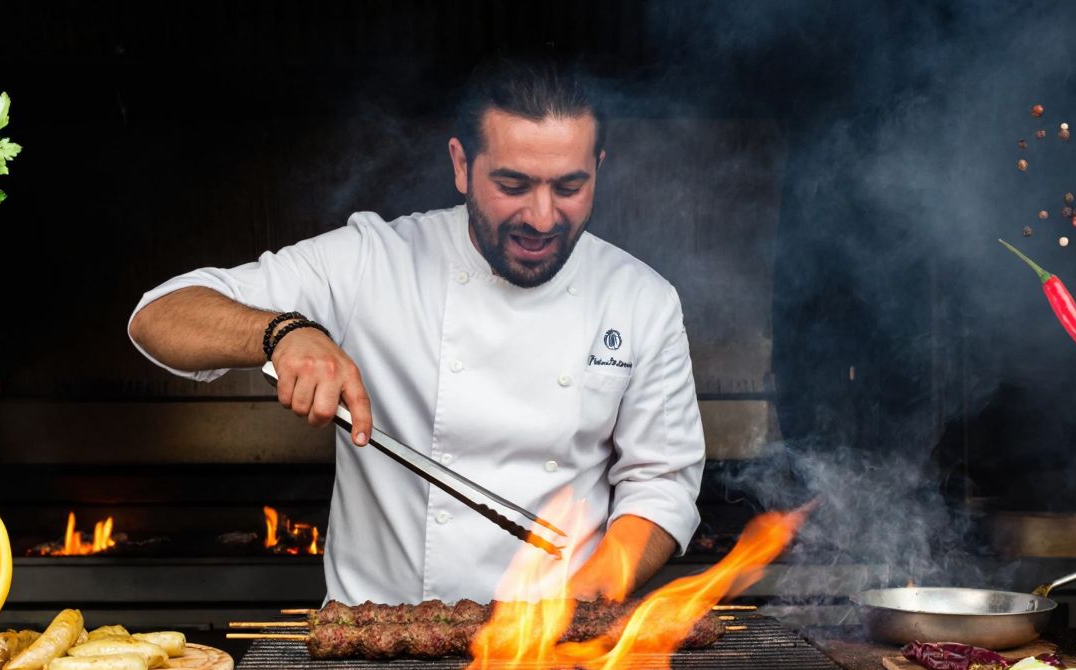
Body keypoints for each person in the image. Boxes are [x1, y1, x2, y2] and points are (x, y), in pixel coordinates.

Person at [127, 58, 704, 606]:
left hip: (551, 660)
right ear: (460, 165)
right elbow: (159, 315)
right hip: (373, 663)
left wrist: (580, 607)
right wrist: (281, 332)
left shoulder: (642, 300)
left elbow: (660, 483)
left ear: (598, 167)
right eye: (513, 184)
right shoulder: (372, 261)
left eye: (569, 186)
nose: (542, 216)